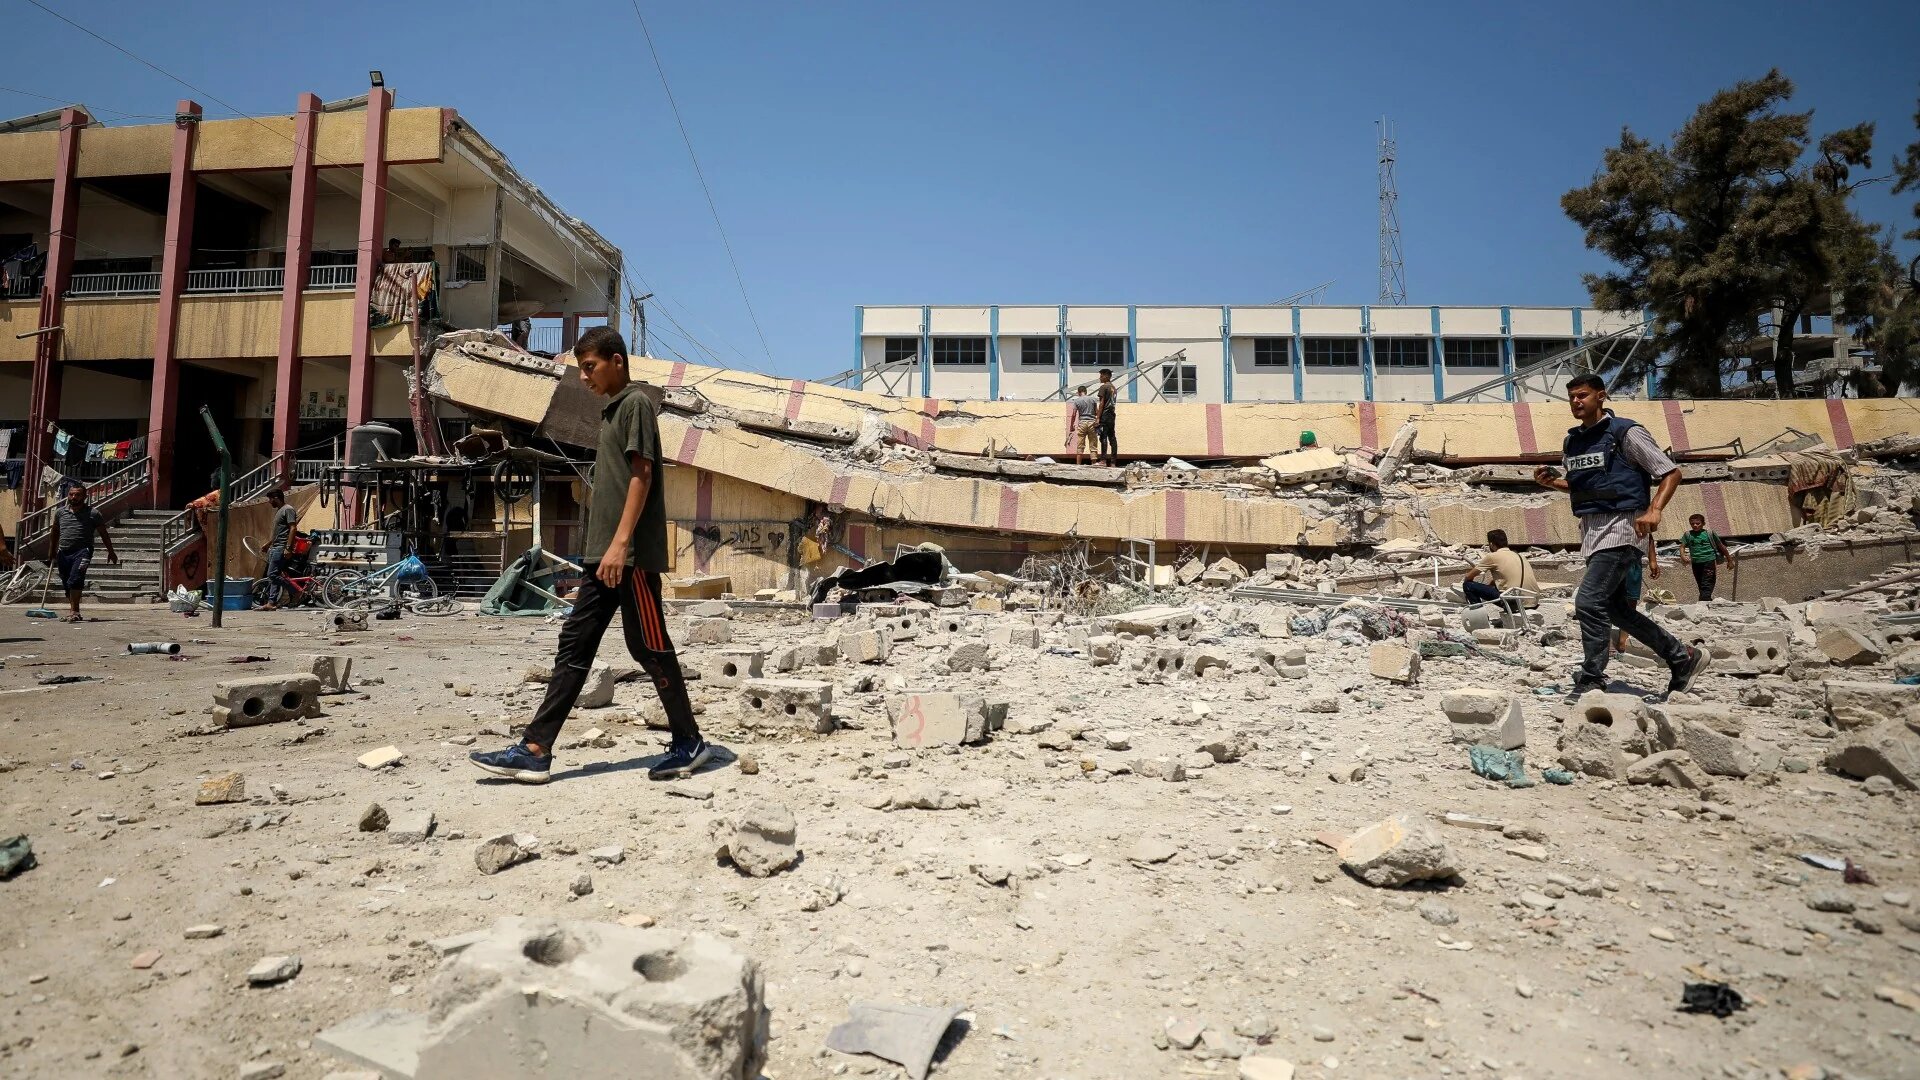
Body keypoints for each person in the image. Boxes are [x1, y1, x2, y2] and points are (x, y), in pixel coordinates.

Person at [472, 326, 710, 784]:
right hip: (602, 557)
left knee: (649, 646)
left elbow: (642, 475)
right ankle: (536, 749)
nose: (584, 377)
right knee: (575, 644)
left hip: (630, 557)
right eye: (581, 368)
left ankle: (689, 741)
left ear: (616, 361)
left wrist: (621, 544)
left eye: (590, 366)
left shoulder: (635, 403)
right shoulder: (610, 412)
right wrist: (603, 550)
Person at [1533, 374, 1706, 704]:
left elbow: (1670, 472)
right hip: (1592, 532)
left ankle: (1592, 678)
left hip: (1624, 528)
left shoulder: (1626, 432)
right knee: (1614, 609)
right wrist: (1553, 483)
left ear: (1601, 396)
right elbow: (1586, 486)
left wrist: (1655, 509)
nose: (1576, 402)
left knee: (1588, 601)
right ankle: (1682, 656)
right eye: (1571, 397)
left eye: (1582, 395)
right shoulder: (1573, 443)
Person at [45, 483, 116, 623]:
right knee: (67, 582)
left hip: (83, 551)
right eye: (71, 494)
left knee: (76, 578)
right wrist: (52, 551)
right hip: (64, 552)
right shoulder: (60, 513)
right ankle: (73, 610)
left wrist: (111, 551)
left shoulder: (93, 514)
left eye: (77, 495)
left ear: (84, 497)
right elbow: (55, 532)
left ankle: (75, 611)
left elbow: (103, 533)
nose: (74, 497)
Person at [1461, 529, 1537, 609]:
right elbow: (1505, 577)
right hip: (1533, 600)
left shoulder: (1492, 557)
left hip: (1514, 603)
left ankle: (1479, 617)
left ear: (1491, 544)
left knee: (1468, 585)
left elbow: (1468, 577)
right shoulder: (1519, 556)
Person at [1612, 533, 1658, 655]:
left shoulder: (1639, 518)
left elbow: (1649, 537)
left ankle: (1623, 639)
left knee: (1630, 604)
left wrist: (1652, 560)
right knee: (1606, 602)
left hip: (1632, 565)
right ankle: (1607, 642)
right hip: (1611, 564)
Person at [256, 488, 300, 611]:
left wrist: (288, 548)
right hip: (275, 547)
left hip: (281, 548)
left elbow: (292, 528)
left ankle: (295, 591)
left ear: (276, 498)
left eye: (270, 499)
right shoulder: (280, 511)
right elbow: (280, 532)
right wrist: (268, 544)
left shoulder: (288, 510)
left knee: (272, 574)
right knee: (274, 576)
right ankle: (272, 602)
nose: (269, 502)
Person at [1680, 513, 1732, 602]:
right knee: (1700, 584)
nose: (1695, 525)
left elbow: (1721, 546)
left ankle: (1704, 601)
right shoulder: (1688, 534)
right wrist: (1683, 556)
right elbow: (1682, 546)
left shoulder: (1709, 533)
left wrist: (1729, 560)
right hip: (1696, 563)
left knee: (1707, 583)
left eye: (1697, 523)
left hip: (1709, 562)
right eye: (1692, 524)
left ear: (1703, 524)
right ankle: (1706, 602)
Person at [1067, 385, 1098, 466]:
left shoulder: (1077, 401)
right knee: (1093, 443)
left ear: (1078, 392)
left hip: (1082, 423)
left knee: (1080, 444)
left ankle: (1078, 464)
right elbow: (1097, 412)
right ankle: (1094, 463)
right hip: (1092, 422)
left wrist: (1071, 425)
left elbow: (1074, 414)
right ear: (1086, 391)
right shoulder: (1093, 399)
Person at [1094, 368, 1119, 466]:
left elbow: (1102, 403)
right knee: (1112, 437)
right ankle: (1113, 461)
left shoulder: (1104, 387)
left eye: (1101, 376)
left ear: (1107, 376)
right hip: (1112, 414)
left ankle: (1103, 460)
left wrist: (1098, 418)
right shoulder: (1114, 388)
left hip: (1105, 414)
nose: (1100, 378)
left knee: (1103, 437)